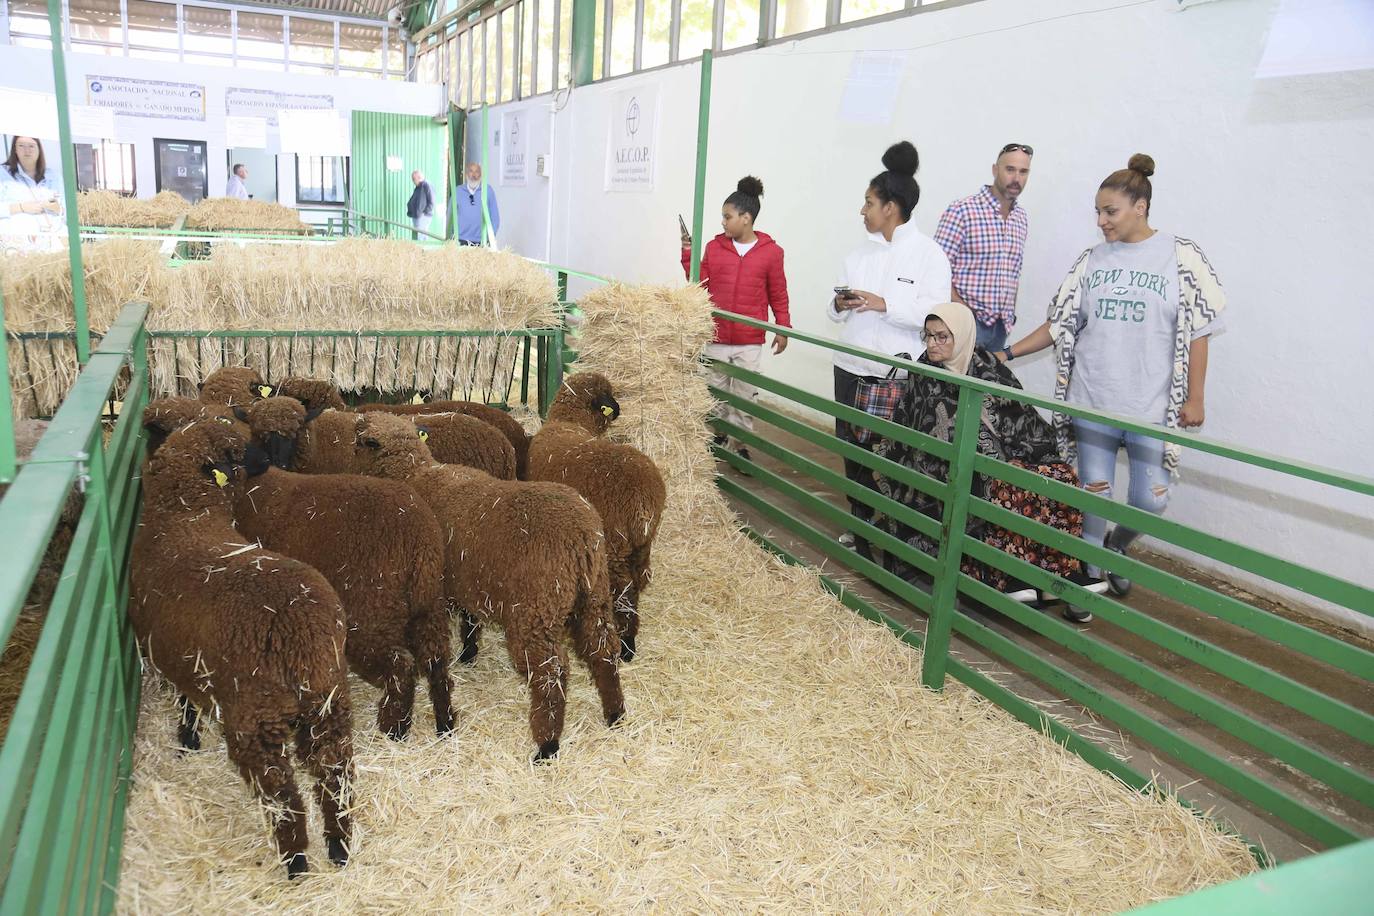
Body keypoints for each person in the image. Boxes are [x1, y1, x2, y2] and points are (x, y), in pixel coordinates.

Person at [998, 154, 1226, 596]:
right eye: (1098, 212)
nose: (1101, 221)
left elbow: (1200, 330)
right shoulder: (1093, 261)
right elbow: (1059, 322)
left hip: (1150, 405)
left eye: (1110, 211)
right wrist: (1007, 353)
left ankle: (1117, 545)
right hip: (1093, 399)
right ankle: (1087, 580)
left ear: (1140, 206)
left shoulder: (1181, 258)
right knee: (1093, 493)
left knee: (1149, 500)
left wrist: (1195, 397)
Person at [875, 304, 1108, 624]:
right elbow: (929, 430)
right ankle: (1010, 575)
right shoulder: (925, 375)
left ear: (963, 335)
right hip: (944, 464)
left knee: (1058, 475)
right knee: (1003, 480)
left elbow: (1020, 412)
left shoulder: (984, 363)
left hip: (1005, 452)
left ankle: (1061, 576)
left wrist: (1032, 454)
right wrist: (999, 459)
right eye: (928, 336)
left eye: (943, 336)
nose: (933, 344)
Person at [828, 141, 950, 559]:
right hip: (850, 367)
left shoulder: (929, 256)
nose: (862, 211)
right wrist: (839, 304)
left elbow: (937, 314)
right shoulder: (857, 254)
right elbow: (834, 312)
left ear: (891, 208)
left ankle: (899, 531)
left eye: (868, 202)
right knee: (853, 450)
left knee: (899, 456)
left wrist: (885, 304)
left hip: (897, 374)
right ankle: (861, 524)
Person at [681, 176, 790, 463]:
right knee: (714, 391)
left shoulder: (771, 253)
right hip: (716, 335)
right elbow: (700, 284)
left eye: (727, 217)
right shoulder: (715, 248)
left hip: (748, 340)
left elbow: (778, 293)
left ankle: (740, 446)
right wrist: (688, 255)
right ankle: (716, 437)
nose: (723, 222)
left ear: (746, 218)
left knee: (743, 396)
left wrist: (783, 328)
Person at [934, 143, 1033, 351]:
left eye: (1023, 172)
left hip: (1000, 328)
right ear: (995, 170)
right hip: (964, 325)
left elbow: (1013, 272)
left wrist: (1009, 316)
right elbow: (935, 270)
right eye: (1010, 169)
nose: (1017, 178)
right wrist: (964, 313)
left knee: (984, 384)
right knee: (954, 384)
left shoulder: (1020, 218)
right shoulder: (962, 211)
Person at [0, 136, 64, 252]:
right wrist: (21, 207)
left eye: (31, 146)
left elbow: (67, 210)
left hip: (51, 245)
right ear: (15, 149)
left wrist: (57, 208)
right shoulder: (3, 174)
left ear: (39, 149)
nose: (27, 150)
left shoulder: (54, 176)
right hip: (16, 246)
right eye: (21, 145)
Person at [456, 162, 499, 246]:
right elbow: (450, 215)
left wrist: (489, 238)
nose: (474, 175)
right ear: (466, 174)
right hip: (460, 241)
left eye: (477, 171)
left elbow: (495, 218)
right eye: (471, 171)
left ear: (481, 174)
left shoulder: (488, 191)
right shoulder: (458, 191)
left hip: (482, 242)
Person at [408, 170, 435, 237]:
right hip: (417, 215)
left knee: (420, 237)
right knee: (418, 236)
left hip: (423, 216)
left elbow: (432, 201)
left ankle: (421, 247)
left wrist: (424, 212)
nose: (413, 181)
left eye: (414, 179)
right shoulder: (419, 187)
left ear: (419, 177)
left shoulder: (426, 185)